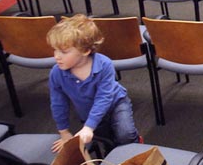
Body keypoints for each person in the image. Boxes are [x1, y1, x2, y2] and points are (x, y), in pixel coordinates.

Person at [47, 14, 140, 153]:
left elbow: (104, 97)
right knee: (106, 141)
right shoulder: (57, 73)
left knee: (125, 135)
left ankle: (136, 145)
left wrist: (89, 126)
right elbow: (58, 103)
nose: (56, 56)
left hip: (116, 104)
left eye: (64, 52)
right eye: (55, 49)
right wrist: (64, 132)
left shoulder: (104, 65)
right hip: (88, 112)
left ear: (85, 51)